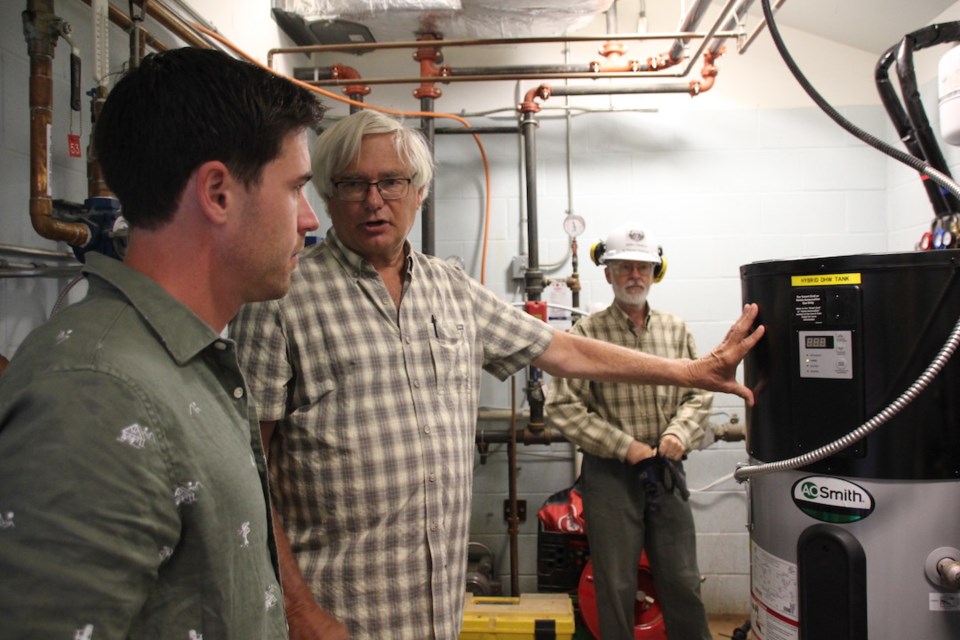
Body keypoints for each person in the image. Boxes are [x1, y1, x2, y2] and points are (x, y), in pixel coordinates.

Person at [230, 109, 763, 640]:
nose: (374, 200)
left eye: (392, 181)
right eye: (352, 183)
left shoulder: (451, 288)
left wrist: (692, 373)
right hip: (337, 616)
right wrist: (300, 615)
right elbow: (246, 473)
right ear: (326, 195)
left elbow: (564, 351)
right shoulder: (281, 300)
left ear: (419, 192)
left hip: (436, 613)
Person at [0, 47, 326, 639]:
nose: (309, 220)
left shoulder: (184, 362)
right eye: (296, 188)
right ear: (218, 193)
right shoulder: (96, 393)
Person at [546, 224, 714, 640]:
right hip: (611, 474)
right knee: (615, 583)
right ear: (608, 274)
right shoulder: (585, 335)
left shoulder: (675, 330)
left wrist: (677, 435)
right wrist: (628, 447)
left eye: (644, 267)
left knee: (682, 579)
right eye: (624, 268)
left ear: (656, 274)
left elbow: (700, 392)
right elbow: (562, 407)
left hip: (668, 467)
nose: (634, 275)